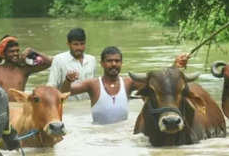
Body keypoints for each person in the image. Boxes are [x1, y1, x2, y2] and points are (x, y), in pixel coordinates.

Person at [62, 47, 191, 125]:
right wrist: (68, 80)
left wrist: (175, 66)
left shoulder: (128, 82)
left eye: (117, 61)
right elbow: (64, 93)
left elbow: (160, 83)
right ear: (102, 63)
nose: (113, 64)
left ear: (122, 63)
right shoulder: (93, 84)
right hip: (98, 135)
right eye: (109, 61)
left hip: (124, 134)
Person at [0, 35, 52, 101]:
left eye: (17, 51)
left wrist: (32, 51)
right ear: (3, 53)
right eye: (12, 51)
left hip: (19, 106)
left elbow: (49, 63)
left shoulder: (24, 70)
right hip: (1, 107)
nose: (15, 54)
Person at [47, 27, 96, 101]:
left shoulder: (91, 60)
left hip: (87, 106)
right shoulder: (59, 60)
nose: (79, 47)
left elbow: (93, 86)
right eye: (75, 44)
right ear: (68, 44)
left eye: (82, 44)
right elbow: (51, 86)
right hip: (67, 106)